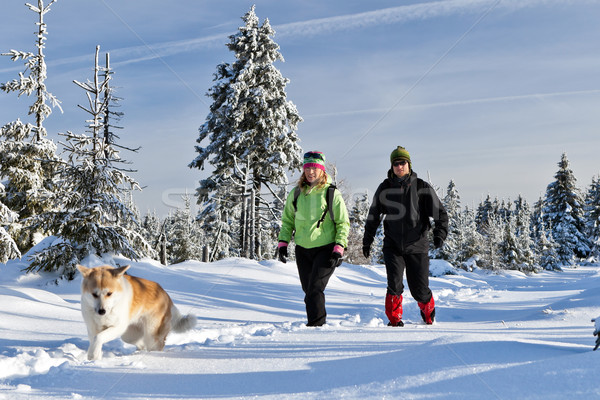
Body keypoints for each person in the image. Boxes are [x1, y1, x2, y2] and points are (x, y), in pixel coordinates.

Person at [362, 146, 448, 326]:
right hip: (393, 246)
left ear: (409, 164)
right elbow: (373, 216)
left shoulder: (421, 187)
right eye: (395, 163)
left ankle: (428, 309)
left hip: (417, 246)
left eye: (402, 163)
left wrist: (439, 234)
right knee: (394, 285)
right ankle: (394, 321)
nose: (399, 166)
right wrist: (367, 240)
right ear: (391, 166)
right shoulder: (385, 188)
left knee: (420, 290)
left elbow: (440, 213)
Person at [278, 151, 350, 327]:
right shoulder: (296, 194)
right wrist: (283, 243)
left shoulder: (331, 193)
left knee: (315, 289)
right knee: (308, 290)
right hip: (302, 249)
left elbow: (342, 223)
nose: (311, 172)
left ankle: (316, 326)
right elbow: (288, 221)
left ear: (322, 170)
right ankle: (316, 323)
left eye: (314, 168)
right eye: (307, 168)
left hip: (326, 248)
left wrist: (339, 248)